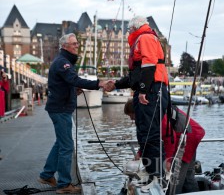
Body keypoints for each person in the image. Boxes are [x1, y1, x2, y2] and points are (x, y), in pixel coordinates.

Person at [39, 33, 109, 194]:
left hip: (59, 108)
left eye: (77, 43)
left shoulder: (63, 61)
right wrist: (99, 84)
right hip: (60, 109)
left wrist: (73, 89)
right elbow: (74, 79)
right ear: (65, 46)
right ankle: (64, 185)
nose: (77, 46)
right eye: (74, 44)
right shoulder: (63, 63)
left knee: (61, 143)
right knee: (67, 146)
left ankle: (47, 174)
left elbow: (65, 82)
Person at [106, 16, 169, 179]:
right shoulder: (142, 38)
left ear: (134, 28)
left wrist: (142, 91)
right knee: (144, 133)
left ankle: (157, 175)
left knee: (150, 133)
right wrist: (116, 84)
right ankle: (152, 172)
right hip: (150, 88)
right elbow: (136, 75)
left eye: (129, 30)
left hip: (152, 89)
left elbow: (149, 65)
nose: (128, 32)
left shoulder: (145, 37)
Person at [124, 99, 205, 193]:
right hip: (192, 133)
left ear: (137, 111)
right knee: (188, 175)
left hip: (187, 137)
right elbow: (149, 137)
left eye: (131, 115)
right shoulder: (151, 112)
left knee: (175, 178)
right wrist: (140, 152)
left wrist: (168, 160)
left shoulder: (155, 115)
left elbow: (170, 137)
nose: (131, 119)